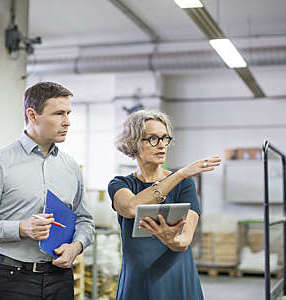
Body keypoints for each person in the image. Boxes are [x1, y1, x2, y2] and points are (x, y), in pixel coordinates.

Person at [108, 110, 221, 300]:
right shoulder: (120, 184)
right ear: (134, 142)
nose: (161, 145)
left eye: (165, 138)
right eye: (152, 139)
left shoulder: (185, 184)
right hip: (138, 280)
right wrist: (178, 174)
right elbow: (130, 208)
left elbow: (184, 240)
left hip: (176, 277)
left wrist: (172, 240)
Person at [0, 82, 94, 300]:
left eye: (68, 113)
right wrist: (22, 228)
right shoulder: (3, 163)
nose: (67, 122)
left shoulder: (71, 166)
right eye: (59, 113)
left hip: (60, 280)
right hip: (11, 280)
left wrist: (76, 247)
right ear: (32, 115)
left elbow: (85, 221)